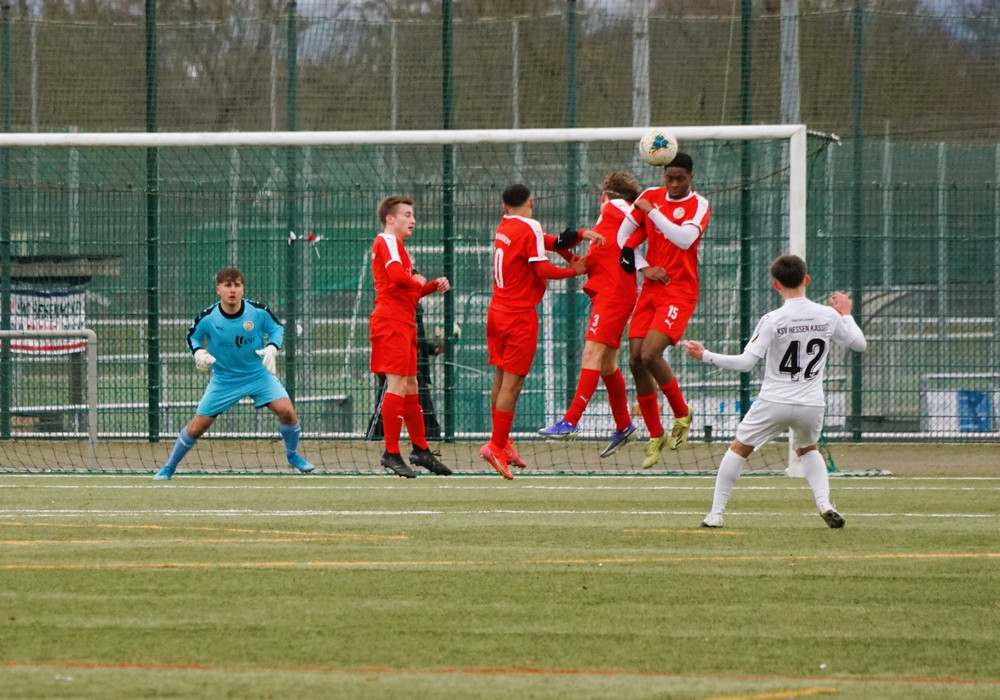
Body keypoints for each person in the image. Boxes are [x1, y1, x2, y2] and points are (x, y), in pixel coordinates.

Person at [682, 254, 867, 528]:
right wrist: (847, 314)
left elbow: (745, 363)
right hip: (811, 403)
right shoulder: (828, 315)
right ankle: (824, 504)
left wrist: (706, 355)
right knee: (809, 450)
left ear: (775, 285)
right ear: (806, 280)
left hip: (775, 400)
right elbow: (860, 344)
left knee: (738, 449)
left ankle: (716, 514)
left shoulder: (773, 319)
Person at [153, 267, 314, 480]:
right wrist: (198, 353)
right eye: (227, 285)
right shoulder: (208, 317)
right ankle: (169, 467)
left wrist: (272, 347)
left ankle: (293, 456)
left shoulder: (258, 312)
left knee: (287, 412)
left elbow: (277, 329)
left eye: (237, 285)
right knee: (197, 428)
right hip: (224, 380)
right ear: (218, 289)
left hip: (258, 375)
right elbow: (192, 336)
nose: (232, 290)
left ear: (242, 289)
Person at [480, 183, 591, 479]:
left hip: (497, 312)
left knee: (501, 379)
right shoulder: (530, 226)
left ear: (505, 207)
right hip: (518, 316)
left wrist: (580, 234)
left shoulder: (505, 226)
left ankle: (502, 441)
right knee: (513, 385)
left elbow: (549, 242)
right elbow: (542, 269)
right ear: (532, 202)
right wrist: (574, 270)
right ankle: (495, 446)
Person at [537, 171, 642, 458]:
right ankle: (624, 425)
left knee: (591, 354)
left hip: (613, 293)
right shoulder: (607, 226)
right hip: (612, 292)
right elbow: (588, 262)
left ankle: (570, 421)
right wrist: (568, 253)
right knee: (606, 364)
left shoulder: (614, 207)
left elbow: (636, 214)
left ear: (604, 196)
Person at [617, 152, 710, 468]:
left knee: (650, 354)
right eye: (669, 177)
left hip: (679, 291)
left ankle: (682, 412)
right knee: (634, 359)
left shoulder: (699, 205)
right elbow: (622, 238)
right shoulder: (650, 196)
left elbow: (683, 239)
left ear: (691, 178)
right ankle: (656, 433)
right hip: (651, 288)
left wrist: (652, 212)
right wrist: (644, 267)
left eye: (680, 178)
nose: (673, 184)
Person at [369, 194, 452, 478]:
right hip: (390, 321)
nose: (412, 220)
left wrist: (431, 285)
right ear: (390, 218)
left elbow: (408, 292)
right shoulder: (387, 241)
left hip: (404, 321)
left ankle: (420, 450)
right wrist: (418, 280)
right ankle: (391, 453)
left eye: (413, 215)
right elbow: (396, 277)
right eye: (407, 214)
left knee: (411, 384)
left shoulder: (399, 247)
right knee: (396, 384)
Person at [366, 297, 444, 441]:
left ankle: (432, 440)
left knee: (425, 408)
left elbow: (417, 340)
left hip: (415, 368)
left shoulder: (414, 307)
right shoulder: (393, 307)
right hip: (395, 365)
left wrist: (434, 349)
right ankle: (373, 439)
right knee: (386, 407)